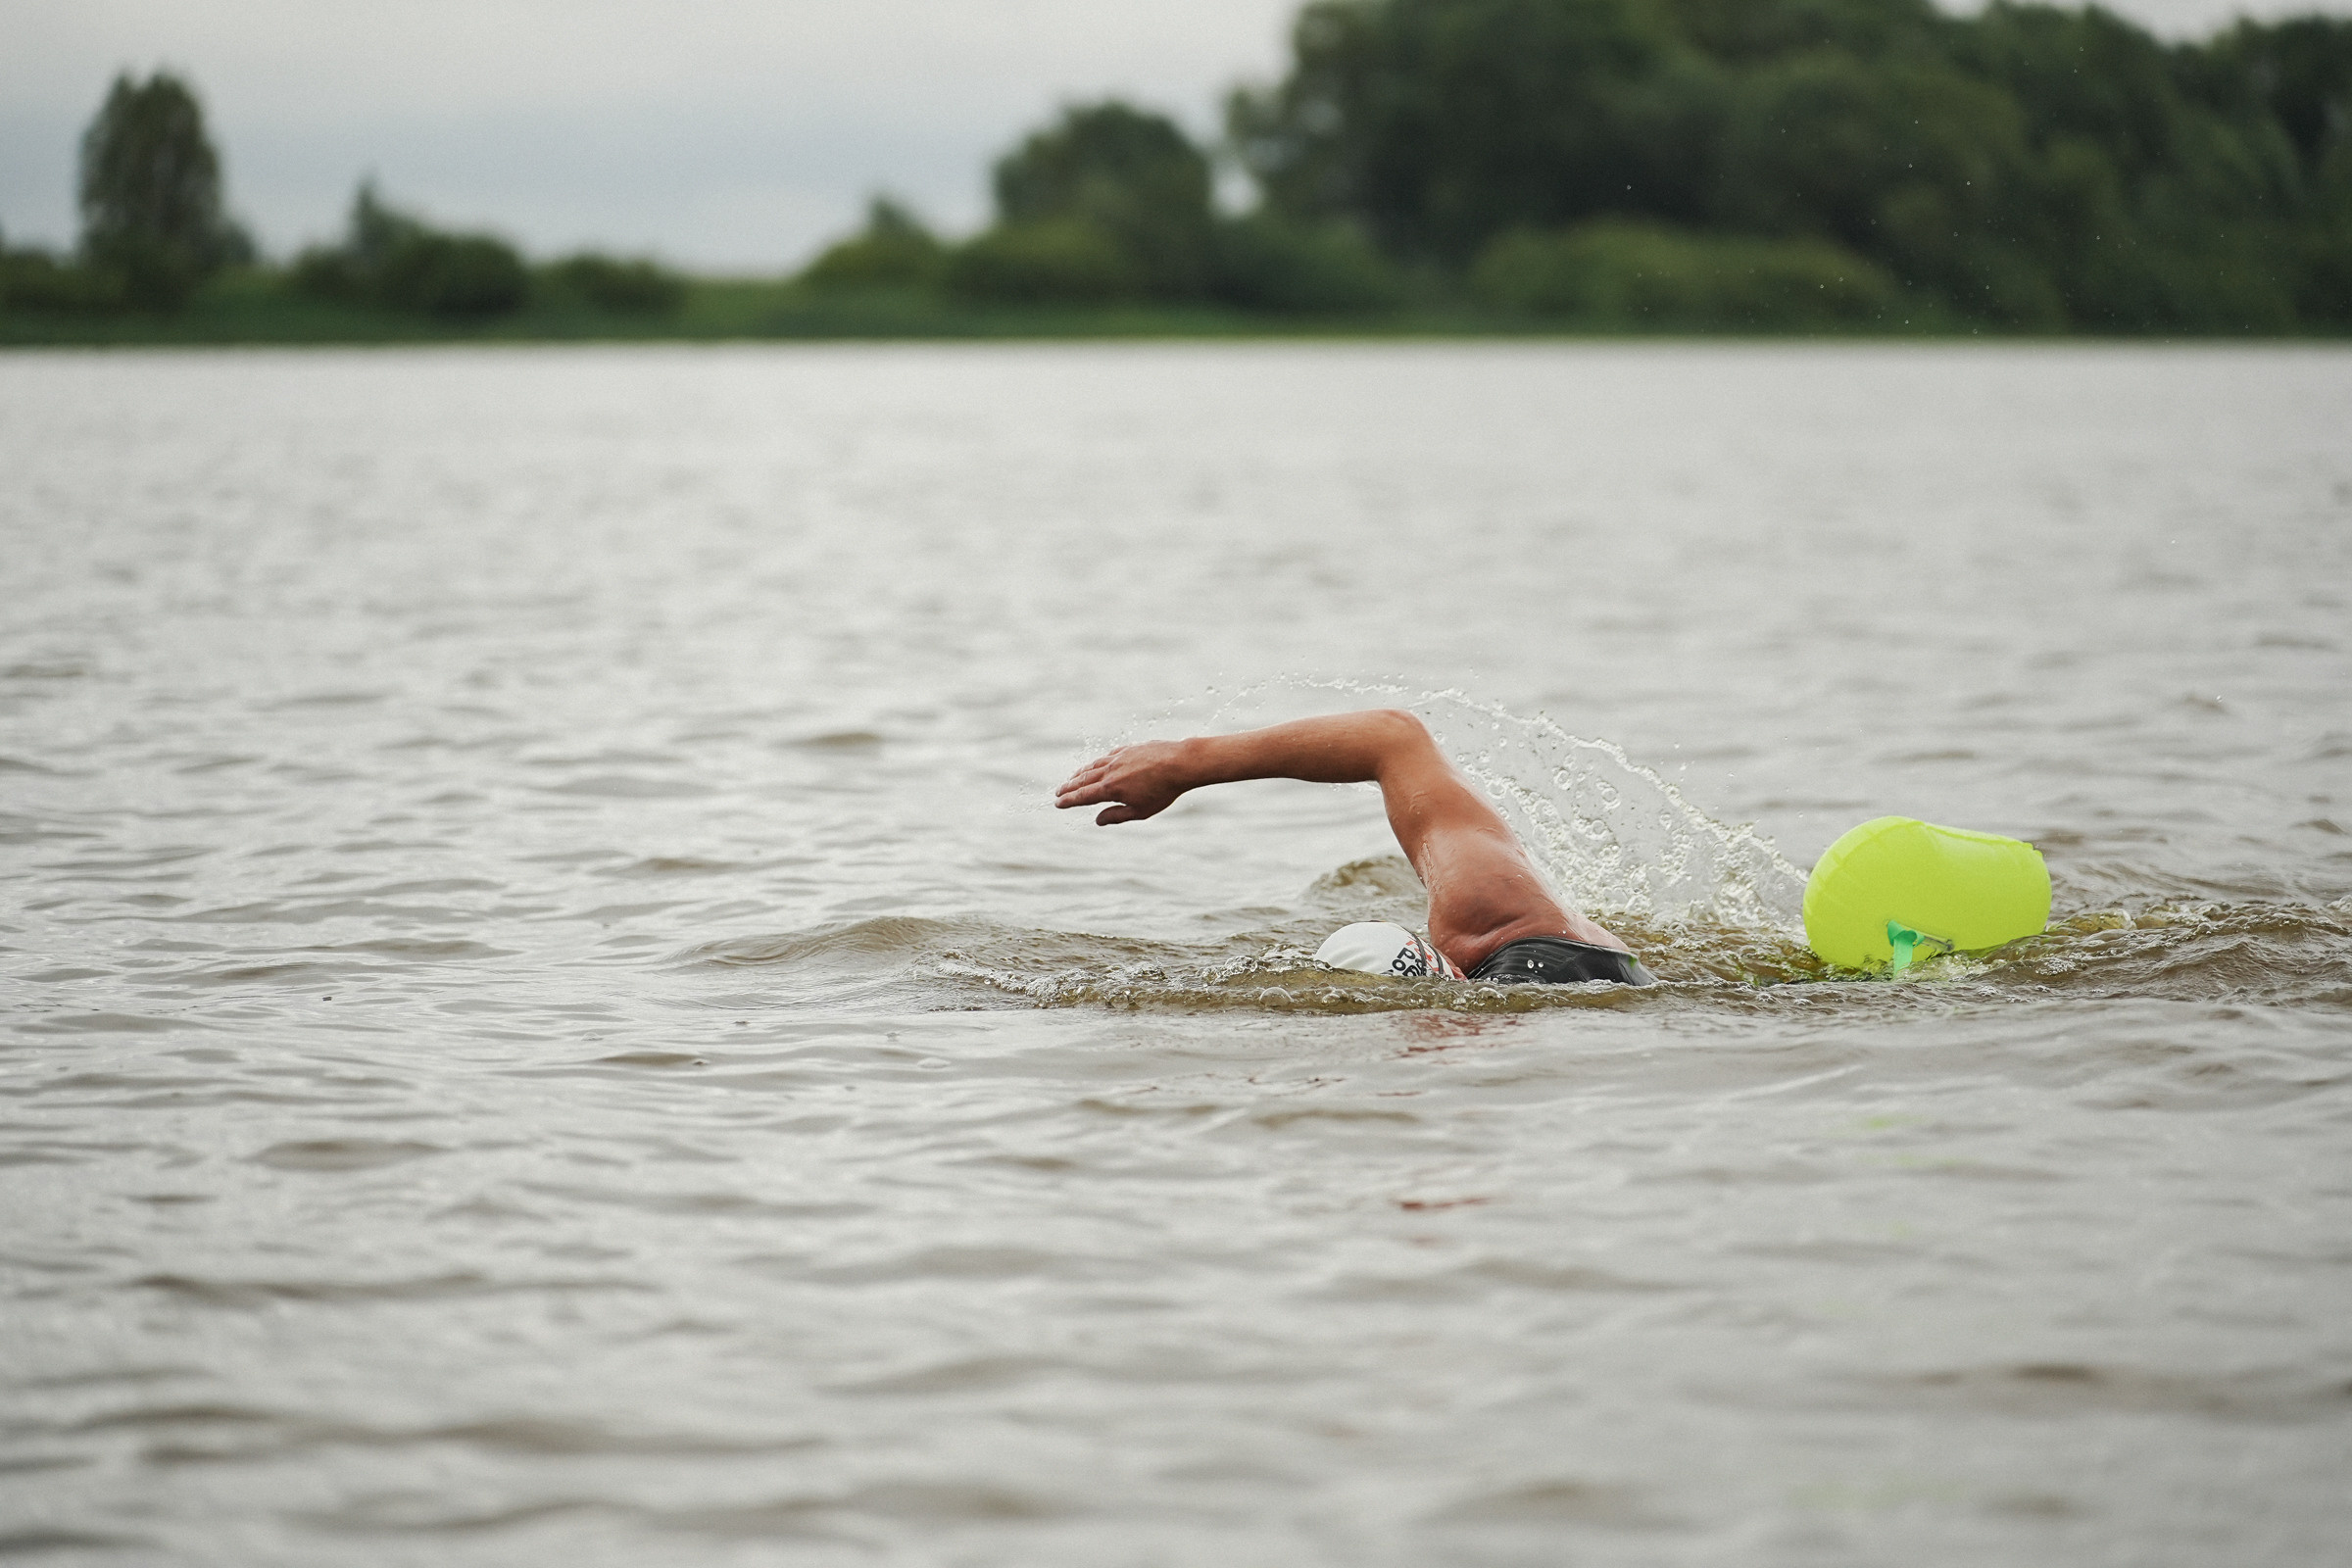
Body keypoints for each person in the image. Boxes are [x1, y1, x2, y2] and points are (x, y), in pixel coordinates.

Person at [1054, 709, 1654, 987]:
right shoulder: (1496, 916)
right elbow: (1392, 737)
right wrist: (1187, 762)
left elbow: (1394, 736)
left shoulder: (1483, 919)